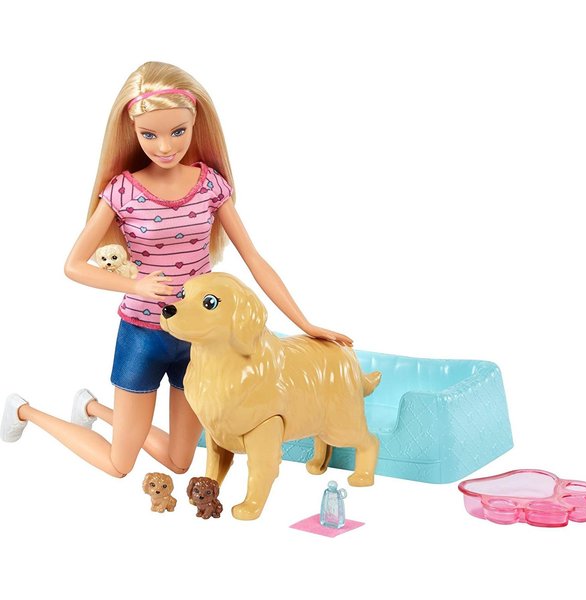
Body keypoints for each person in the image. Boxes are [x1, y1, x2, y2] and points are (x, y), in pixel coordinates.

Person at [0, 61, 352, 478]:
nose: (165, 147)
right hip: (142, 336)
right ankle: (24, 410)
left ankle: (92, 407)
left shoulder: (210, 185)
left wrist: (305, 324)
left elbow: (254, 259)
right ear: (132, 130)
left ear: (195, 123)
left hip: (198, 341)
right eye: (149, 135)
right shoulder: (122, 191)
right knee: (118, 464)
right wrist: (135, 284)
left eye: (177, 132)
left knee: (180, 462)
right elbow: (73, 266)